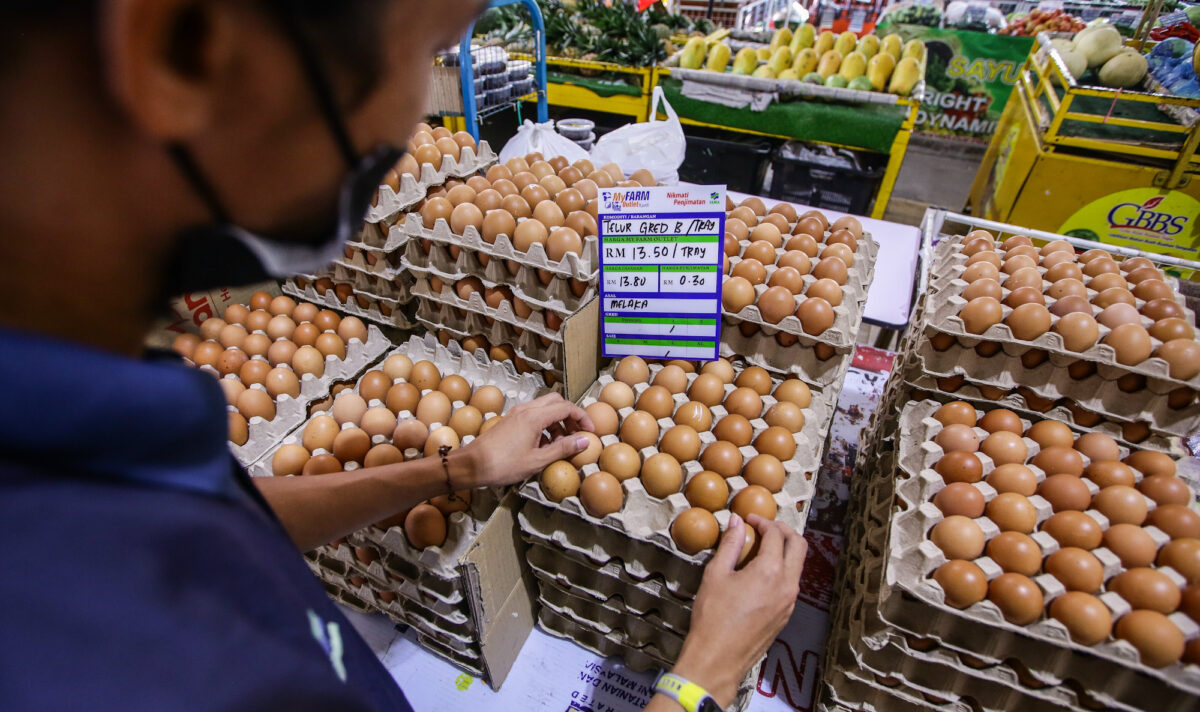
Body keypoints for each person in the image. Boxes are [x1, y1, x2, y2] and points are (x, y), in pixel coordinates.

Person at [0, 2, 806, 711]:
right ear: (184, 47)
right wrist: (702, 677)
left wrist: (448, 472)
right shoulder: (112, 644)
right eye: (429, 50)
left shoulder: (80, 431)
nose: (421, 114)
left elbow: (218, 512)